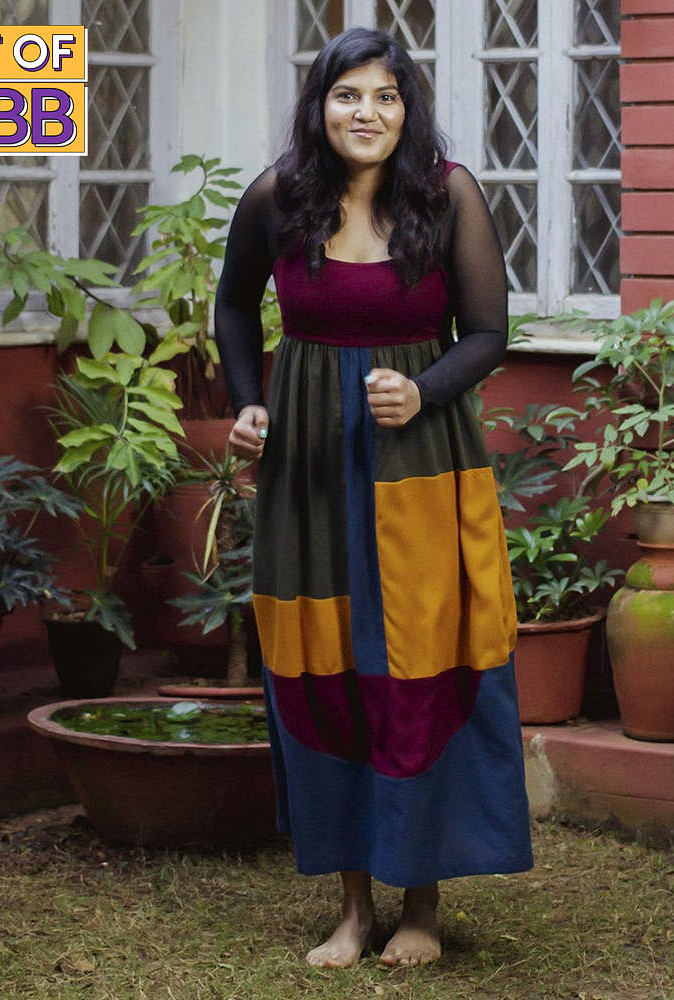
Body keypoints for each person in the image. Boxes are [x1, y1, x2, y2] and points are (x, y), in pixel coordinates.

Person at [214, 26, 533, 969]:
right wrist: (248, 405)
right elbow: (234, 306)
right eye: (348, 95)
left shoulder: (447, 195)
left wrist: (425, 388)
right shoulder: (280, 197)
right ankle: (353, 905)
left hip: (421, 461)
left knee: (422, 662)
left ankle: (422, 902)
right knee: (326, 667)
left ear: (409, 108)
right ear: (320, 105)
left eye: (386, 97)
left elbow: (488, 331)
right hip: (309, 463)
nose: (368, 113)